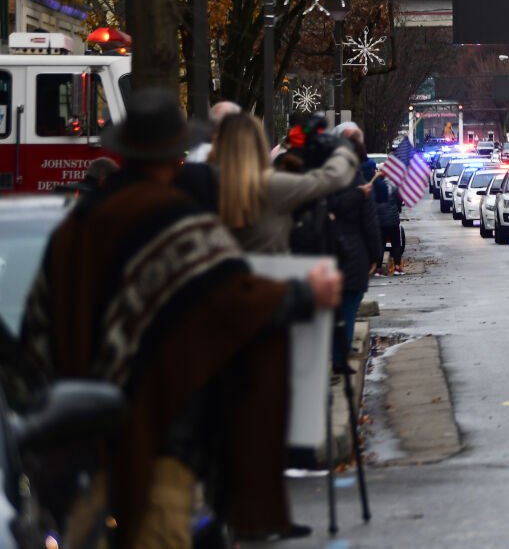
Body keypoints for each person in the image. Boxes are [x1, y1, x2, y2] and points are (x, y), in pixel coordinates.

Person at [21, 89, 342, 546]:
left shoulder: (76, 226)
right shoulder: (177, 223)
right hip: (158, 438)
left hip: (80, 441)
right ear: (174, 156)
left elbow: (39, 326)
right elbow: (235, 298)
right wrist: (305, 292)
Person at [212, 112, 360, 253]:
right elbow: (332, 177)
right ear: (259, 144)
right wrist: (343, 149)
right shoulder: (269, 186)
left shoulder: (205, 184)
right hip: (269, 273)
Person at [327, 123, 381, 373]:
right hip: (353, 254)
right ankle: (340, 358)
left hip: (327, 253)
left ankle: (333, 354)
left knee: (334, 309)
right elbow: (370, 223)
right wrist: (376, 256)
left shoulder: (326, 176)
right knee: (348, 308)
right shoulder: (360, 184)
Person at [371, 162, 406, 275]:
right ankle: (397, 267)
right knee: (396, 244)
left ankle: (378, 269)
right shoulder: (394, 186)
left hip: (380, 220)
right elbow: (399, 200)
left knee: (380, 244)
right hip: (393, 220)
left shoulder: (375, 186)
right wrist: (398, 208)